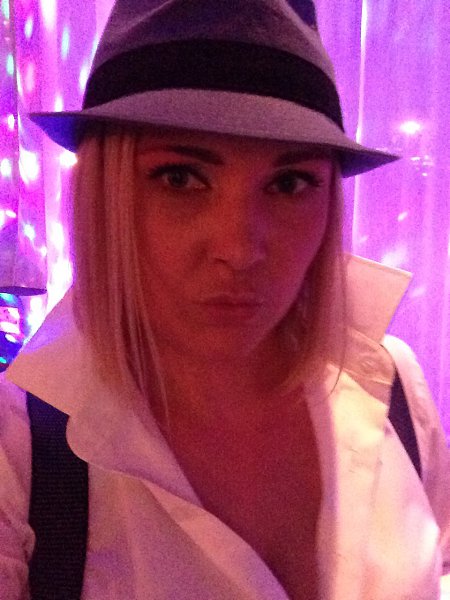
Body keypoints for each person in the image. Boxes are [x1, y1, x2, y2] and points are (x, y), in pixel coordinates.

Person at [1, 0, 449, 598]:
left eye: (289, 182)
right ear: (105, 194)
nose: (239, 250)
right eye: (180, 177)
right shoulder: (21, 453)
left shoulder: (392, 385)